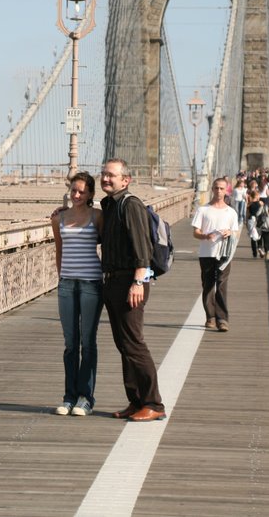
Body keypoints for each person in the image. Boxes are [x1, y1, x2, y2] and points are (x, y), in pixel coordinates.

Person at [99, 158, 166, 422]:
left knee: (134, 344)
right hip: (113, 281)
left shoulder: (131, 205)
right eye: (103, 174)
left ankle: (154, 403)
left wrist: (138, 281)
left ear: (125, 180)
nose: (105, 178)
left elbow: (143, 249)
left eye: (111, 175)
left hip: (130, 282)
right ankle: (136, 400)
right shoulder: (109, 206)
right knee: (123, 344)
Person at [50, 172, 104, 416]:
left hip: (91, 283)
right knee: (70, 344)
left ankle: (86, 398)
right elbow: (59, 251)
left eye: (82, 191)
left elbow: (108, 244)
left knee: (88, 343)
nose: (77, 195)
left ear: (91, 194)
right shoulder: (59, 218)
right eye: (74, 190)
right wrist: (62, 277)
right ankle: (68, 397)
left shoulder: (97, 216)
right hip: (67, 285)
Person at [192, 179, 240, 332]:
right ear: (212, 189)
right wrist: (206, 236)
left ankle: (222, 319)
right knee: (207, 285)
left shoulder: (231, 212)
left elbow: (236, 232)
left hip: (225, 254)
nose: (219, 191)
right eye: (216, 188)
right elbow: (195, 232)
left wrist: (230, 233)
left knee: (221, 285)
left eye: (221, 189)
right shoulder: (203, 210)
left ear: (226, 191)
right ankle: (210, 317)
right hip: (207, 253)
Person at [246, 190, 264, 258]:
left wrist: (246, 223)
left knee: (252, 237)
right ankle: (260, 247)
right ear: (256, 196)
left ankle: (254, 253)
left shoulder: (249, 204)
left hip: (251, 220)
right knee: (259, 235)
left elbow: (247, 214)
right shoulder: (260, 203)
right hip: (258, 220)